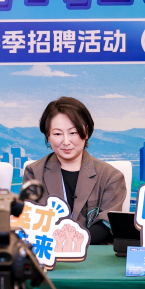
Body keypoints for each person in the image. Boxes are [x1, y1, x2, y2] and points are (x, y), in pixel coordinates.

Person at [22, 97, 127, 245]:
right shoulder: (34, 172)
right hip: (48, 249)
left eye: (73, 133)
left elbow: (107, 224)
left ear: (86, 132)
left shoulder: (111, 176)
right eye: (57, 134)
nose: (66, 142)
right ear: (48, 136)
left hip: (92, 251)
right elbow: (29, 221)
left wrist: (72, 242)